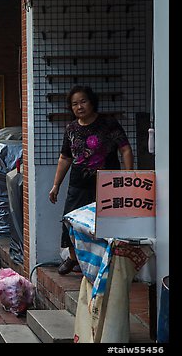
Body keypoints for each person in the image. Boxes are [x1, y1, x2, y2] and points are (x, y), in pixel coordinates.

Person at [49, 85, 133, 275]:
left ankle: (107, 261)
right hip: (79, 184)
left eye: (83, 101)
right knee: (70, 221)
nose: (79, 107)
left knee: (106, 223)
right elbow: (65, 158)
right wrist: (56, 185)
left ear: (92, 102)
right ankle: (72, 258)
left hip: (108, 183)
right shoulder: (71, 128)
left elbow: (125, 149)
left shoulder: (108, 124)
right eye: (75, 104)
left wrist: (129, 178)